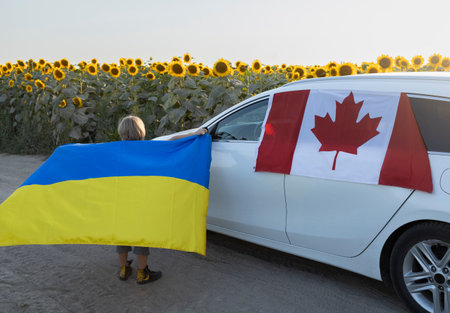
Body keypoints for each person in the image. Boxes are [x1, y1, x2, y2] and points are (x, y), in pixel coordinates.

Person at [116, 115, 207, 284]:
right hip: (142, 202)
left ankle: (123, 269)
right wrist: (195, 133)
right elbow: (173, 140)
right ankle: (142, 273)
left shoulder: (115, 150)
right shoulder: (150, 148)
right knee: (141, 235)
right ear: (141, 131)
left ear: (121, 132)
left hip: (122, 202)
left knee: (122, 234)